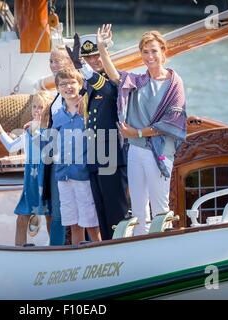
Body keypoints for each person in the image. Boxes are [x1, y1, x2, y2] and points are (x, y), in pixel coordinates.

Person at [96, 24, 187, 235]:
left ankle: (163, 247)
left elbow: (170, 123)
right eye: (145, 52)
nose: (149, 56)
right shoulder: (139, 81)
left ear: (164, 52)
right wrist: (102, 49)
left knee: (160, 208)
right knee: (137, 208)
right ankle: (142, 249)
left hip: (160, 152)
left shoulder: (175, 82)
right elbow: (115, 77)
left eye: (154, 51)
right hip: (136, 150)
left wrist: (136, 133)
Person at [65, 33, 128, 240]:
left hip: (111, 156)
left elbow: (108, 91)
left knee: (115, 212)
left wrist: (80, 65)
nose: (93, 61)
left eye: (96, 56)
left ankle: (121, 249)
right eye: (88, 58)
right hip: (95, 156)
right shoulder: (90, 85)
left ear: (105, 54)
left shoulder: (113, 79)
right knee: (101, 210)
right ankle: (108, 250)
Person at [0, 91, 54, 246]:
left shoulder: (53, 129)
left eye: (41, 107)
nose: (36, 110)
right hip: (31, 179)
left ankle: (55, 248)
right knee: (22, 217)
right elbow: (11, 146)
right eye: (34, 106)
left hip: (46, 177)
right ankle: (20, 250)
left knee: (50, 217)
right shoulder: (29, 130)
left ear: (48, 109)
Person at [51, 68, 101, 245]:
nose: (68, 87)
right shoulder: (57, 116)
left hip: (82, 174)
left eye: (72, 82)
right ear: (58, 89)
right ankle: (77, 255)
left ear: (80, 85)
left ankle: (100, 250)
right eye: (63, 84)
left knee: (90, 221)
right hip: (63, 175)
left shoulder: (87, 113)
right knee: (72, 222)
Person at [42, 45, 75, 245]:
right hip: (56, 159)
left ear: (70, 62)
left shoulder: (74, 91)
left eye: (58, 60)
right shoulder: (57, 94)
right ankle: (56, 250)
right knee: (57, 212)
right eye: (51, 61)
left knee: (80, 210)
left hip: (74, 160)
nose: (54, 65)